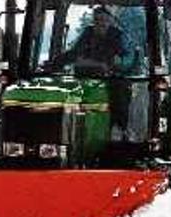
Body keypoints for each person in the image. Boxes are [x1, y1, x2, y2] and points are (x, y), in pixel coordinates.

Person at [51, 6, 131, 140]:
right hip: (84, 77)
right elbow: (74, 53)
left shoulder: (117, 35)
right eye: (97, 20)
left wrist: (117, 65)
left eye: (104, 20)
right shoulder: (88, 33)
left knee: (120, 88)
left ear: (110, 21)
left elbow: (127, 58)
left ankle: (119, 128)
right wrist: (55, 62)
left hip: (108, 78)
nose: (100, 23)